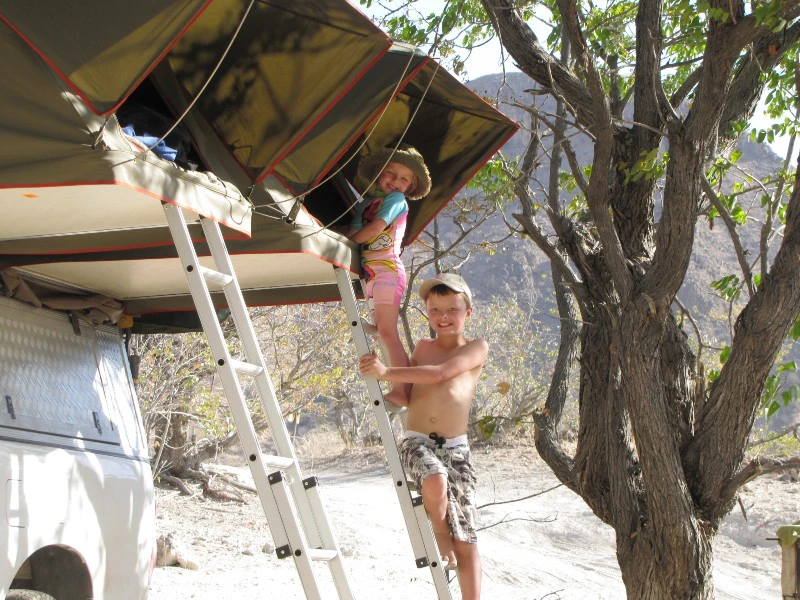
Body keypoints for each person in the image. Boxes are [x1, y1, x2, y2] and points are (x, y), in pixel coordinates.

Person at [359, 273, 487, 600]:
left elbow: (440, 375)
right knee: (434, 480)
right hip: (417, 441)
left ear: (467, 313)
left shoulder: (475, 348)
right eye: (435, 310)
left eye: (452, 310)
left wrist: (387, 372)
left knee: (467, 538)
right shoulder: (423, 347)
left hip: (456, 449)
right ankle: (439, 532)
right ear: (427, 313)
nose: (443, 317)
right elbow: (407, 389)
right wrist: (385, 338)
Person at [343, 145, 431, 406]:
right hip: (372, 275)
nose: (395, 181)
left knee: (389, 333)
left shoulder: (395, 201)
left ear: (411, 186)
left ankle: (402, 391)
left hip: (387, 271)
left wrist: (342, 243)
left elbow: (374, 230)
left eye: (404, 179)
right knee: (383, 332)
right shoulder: (365, 204)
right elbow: (354, 231)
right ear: (380, 174)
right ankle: (400, 386)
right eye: (390, 174)